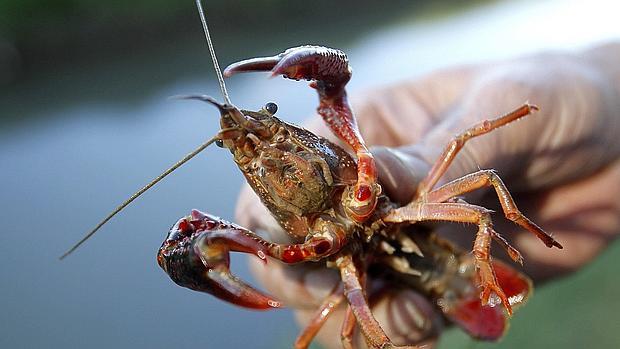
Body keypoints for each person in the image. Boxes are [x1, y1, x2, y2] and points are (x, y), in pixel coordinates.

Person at [235, 42, 620, 348]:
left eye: (270, 117)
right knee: (345, 329)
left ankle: (485, 268)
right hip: (381, 275)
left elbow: (467, 146)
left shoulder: (358, 170)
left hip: (448, 251)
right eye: (242, 152)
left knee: (475, 173)